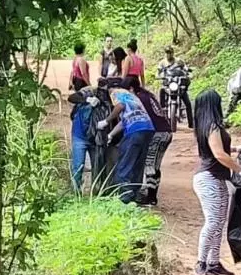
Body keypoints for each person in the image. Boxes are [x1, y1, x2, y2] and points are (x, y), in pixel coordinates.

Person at [192, 88, 241, 275]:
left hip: (214, 178)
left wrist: (234, 148)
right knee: (213, 222)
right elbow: (218, 154)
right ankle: (201, 262)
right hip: (210, 178)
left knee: (218, 222)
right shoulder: (213, 127)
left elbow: (216, 150)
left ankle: (213, 262)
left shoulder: (206, 126)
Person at [102, 76, 154, 204]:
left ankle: (124, 198)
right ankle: (135, 195)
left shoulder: (115, 92)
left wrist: (106, 120)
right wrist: (111, 135)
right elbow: (125, 120)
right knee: (138, 162)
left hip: (135, 130)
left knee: (125, 163)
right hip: (148, 128)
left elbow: (120, 106)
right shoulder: (132, 96)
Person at [134, 83, 172, 206]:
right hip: (166, 132)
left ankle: (150, 197)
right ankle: (152, 195)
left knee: (150, 164)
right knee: (155, 165)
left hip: (157, 133)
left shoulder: (139, 98)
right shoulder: (148, 96)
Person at [67, 79, 100, 192]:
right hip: (79, 136)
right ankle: (76, 192)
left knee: (97, 166)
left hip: (95, 138)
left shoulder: (110, 98)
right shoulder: (90, 91)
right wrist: (87, 99)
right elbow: (71, 98)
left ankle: (96, 191)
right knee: (78, 165)